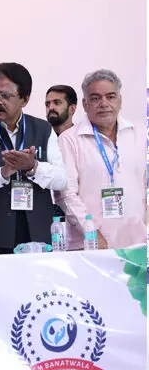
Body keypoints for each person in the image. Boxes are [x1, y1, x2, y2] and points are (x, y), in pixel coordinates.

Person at [0, 62, 66, 255]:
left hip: (38, 239)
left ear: (25, 99)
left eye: (5, 96)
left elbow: (61, 180)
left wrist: (33, 167)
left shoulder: (43, 129)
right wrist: (1, 174)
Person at [56, 69, 146, 250]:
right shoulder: (69, 139)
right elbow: (66, 195)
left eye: (110, 97)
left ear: (120, 100)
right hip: (90, 245)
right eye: (96, 98)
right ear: (85, 104)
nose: (104, 103)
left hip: (138, 242)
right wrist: (92, 234)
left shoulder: (140, 133)